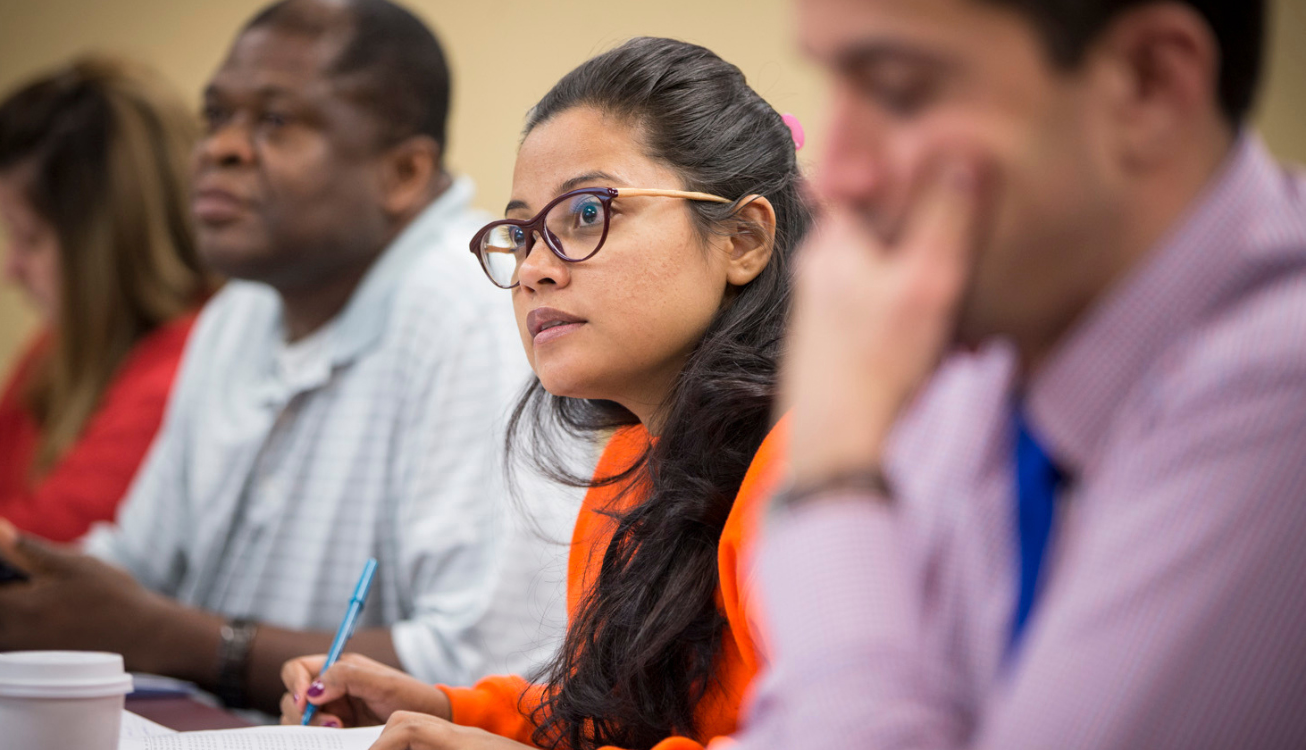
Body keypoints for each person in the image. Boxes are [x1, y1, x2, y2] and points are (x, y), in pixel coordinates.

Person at [0, 0, 572, 713]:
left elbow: (480, 665)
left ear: (404, 173)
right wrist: (34, 588)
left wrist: (177, 640)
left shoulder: (477, 312)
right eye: (216, 115)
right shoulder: (237, 314)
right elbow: (141, 567)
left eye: (274, 121)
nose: (220, 148)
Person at [734, 0, 1306, 748]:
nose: (833, 177)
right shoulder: (982, 369)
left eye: (900, 90)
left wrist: (834, 473)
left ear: (1150, 83)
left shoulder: (1279, 394)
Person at [278, 37, 810, 749]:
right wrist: (448, 713)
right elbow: (625, 724)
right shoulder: (632, 460)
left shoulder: (807, 471)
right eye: (523, 233)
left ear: (743, 238)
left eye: (586, 214)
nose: (533, 270)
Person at [0, 56, 213, 543]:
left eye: (29, 239)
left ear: (111, 244)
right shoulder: (56, 349)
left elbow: (36, 546)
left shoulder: (191, 368)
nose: (9, 271)